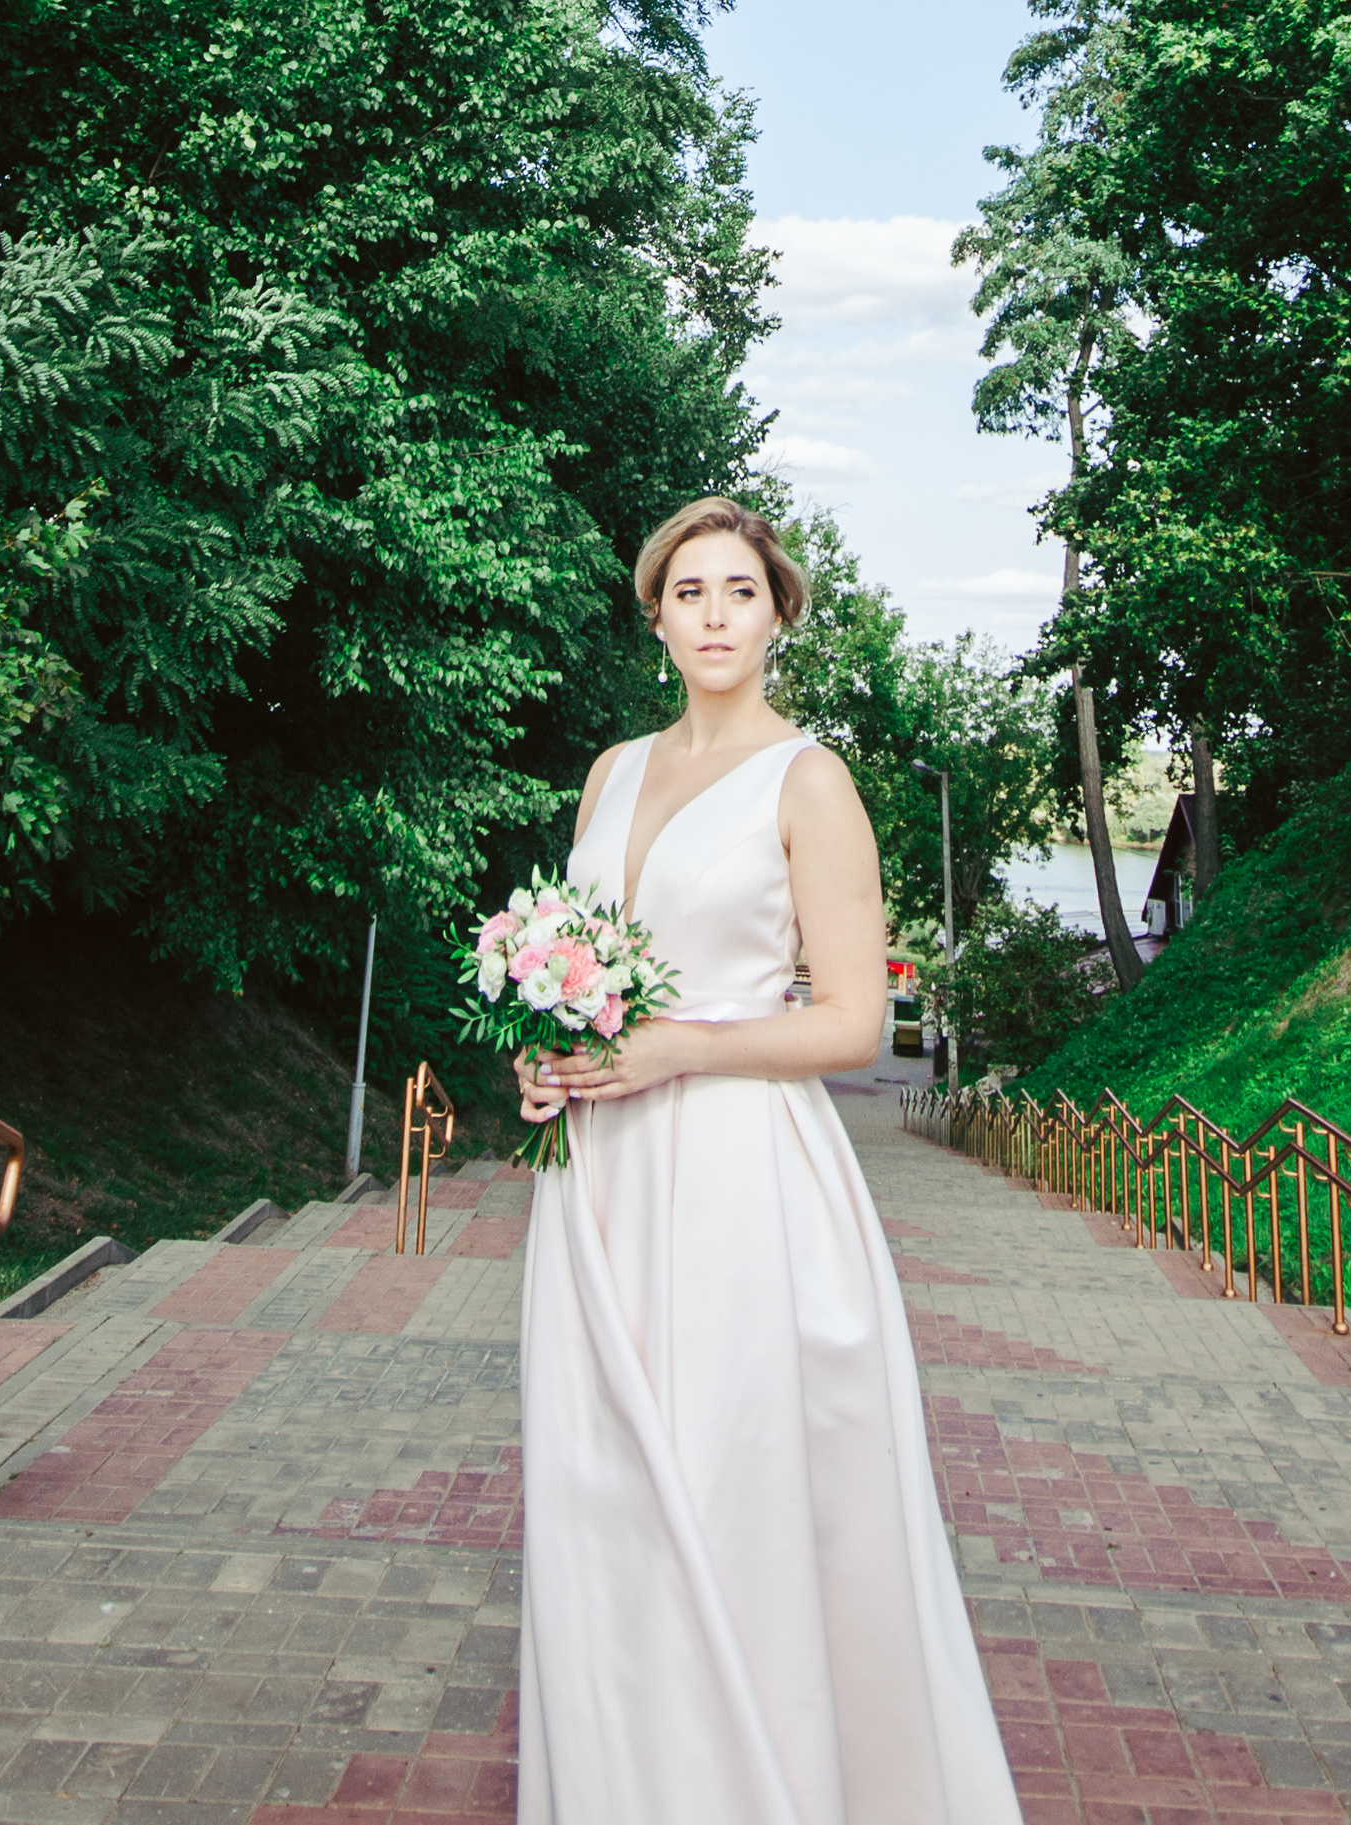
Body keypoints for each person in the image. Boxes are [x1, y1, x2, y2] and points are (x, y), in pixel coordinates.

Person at [517, 494, 1023, 1825]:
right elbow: (584, 983)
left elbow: (853, 1019)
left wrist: (680, 1047)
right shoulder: (611, 769)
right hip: (601, 1176)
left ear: (778, 610)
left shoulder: (811, 780)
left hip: (740, 1175)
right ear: (657, 613)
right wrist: (546, 1057)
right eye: (691, 592)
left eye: (741, 590)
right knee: (599, 1482)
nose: (717, 615)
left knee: (728, 1485)